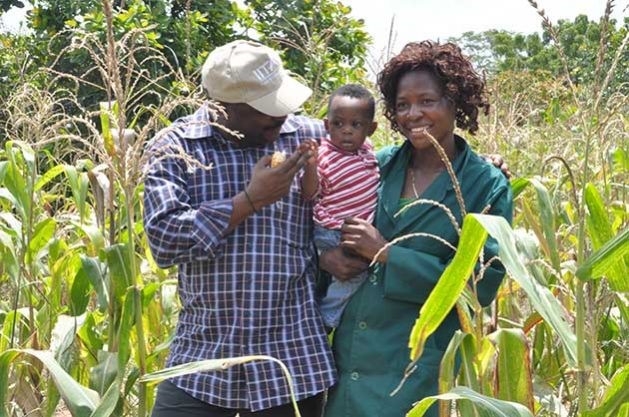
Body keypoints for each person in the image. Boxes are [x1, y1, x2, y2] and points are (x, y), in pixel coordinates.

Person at [321, 40, 514, 417]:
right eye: (403, 104)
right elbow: (319, 213)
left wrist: (388, 253)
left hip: (415, 370)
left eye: (427, 101)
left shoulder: (484, 184)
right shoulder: (375, 165)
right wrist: (326, 258)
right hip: (349, 364)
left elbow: (482, 285)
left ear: (455, 103)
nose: (413, 114)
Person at [143, 40, 336, 417]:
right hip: (202, 361)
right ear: (223, 109)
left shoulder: (311, 137)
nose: (281, 119)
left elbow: (359, 189)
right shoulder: (176, 147)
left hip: (293, 361)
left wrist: (337, 252)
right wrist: (248, 201)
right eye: (266, 111)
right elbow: (163, 240)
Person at [300, 84, 379, 329]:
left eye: (356, 125)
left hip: (354, 232)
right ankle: (326, 321)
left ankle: (320, 317)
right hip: (332, 229)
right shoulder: (324, 154)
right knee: (355, 275)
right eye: (338, 124)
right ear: (326, 125)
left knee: (345, 276)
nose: (346, 132)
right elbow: (310, 193)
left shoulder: (368, 152)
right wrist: (311, 166)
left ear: (371, 129)